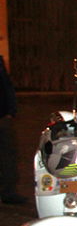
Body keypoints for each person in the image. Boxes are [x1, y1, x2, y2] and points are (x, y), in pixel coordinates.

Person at [0, 55, 25, 204]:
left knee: (9, 155)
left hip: (3, 115)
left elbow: (6, 84)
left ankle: (8, 192)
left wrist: (11, 109)